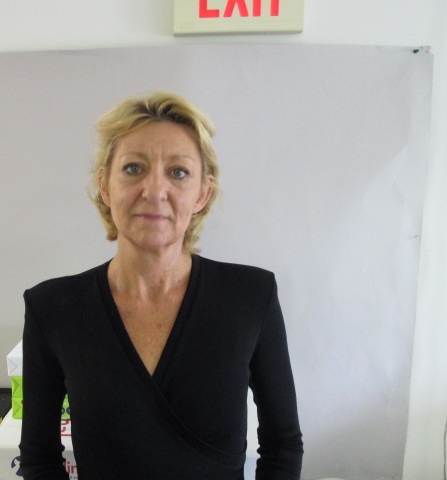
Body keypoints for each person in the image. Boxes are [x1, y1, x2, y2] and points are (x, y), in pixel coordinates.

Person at [19, 92, 303, 479]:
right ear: (105, 185)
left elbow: (283, 444)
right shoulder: (52, 308)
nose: (154, 191)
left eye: (179, 172)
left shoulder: (251, 296)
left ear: (203, 192)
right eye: (133, 168)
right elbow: (39, 458)